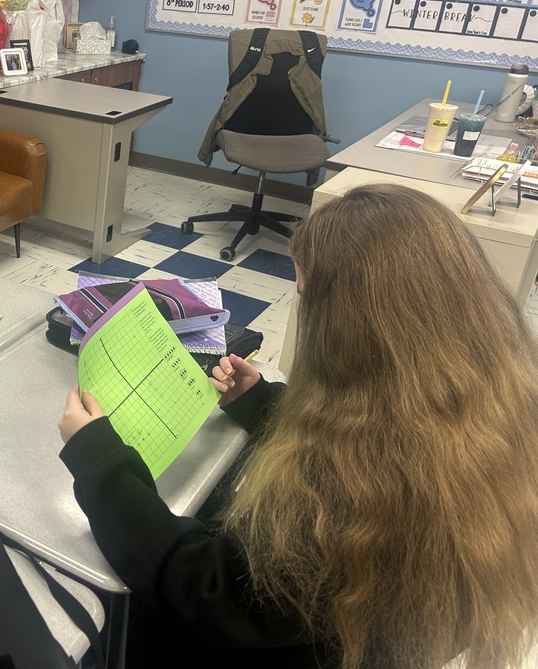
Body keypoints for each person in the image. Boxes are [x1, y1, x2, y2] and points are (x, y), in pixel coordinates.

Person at [58, 184, 538, 669]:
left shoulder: (364, 485)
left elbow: (209, 594)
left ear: (354, 326)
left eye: (307, 296)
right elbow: (358, 421)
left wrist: (98, 460)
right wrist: (263, 403)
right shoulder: (497, 406)